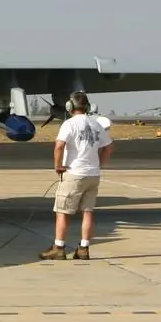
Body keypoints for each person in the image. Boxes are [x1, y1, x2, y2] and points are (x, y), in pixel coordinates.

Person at [40, 91, 113, 260]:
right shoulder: (96, 124)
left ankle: (59, 247)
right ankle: (84, 248)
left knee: (62, 211)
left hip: (74, 173)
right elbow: (109, 147)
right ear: (87, 106)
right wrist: (99, 165)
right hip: (93, 174)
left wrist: (58, 166)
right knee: (87, 211)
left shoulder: (69, 124)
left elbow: (59, 146)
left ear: (70, 106)